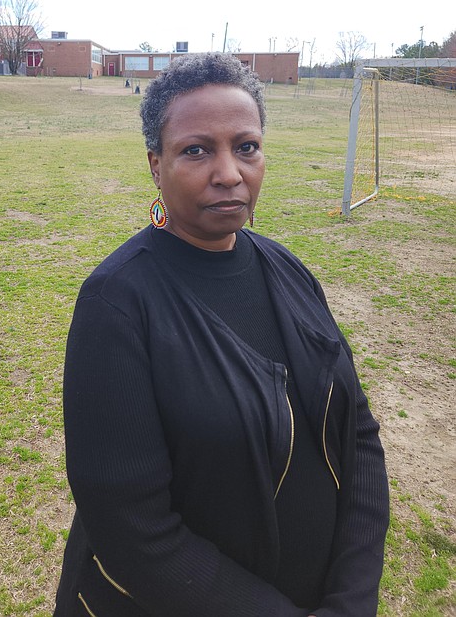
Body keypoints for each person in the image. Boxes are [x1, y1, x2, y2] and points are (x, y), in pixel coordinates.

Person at [54, 52, 389, 617]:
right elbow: (133, 532)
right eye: (197, 149)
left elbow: (358, 434)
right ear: (156, 166)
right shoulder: (117, 304)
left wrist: (353, 597)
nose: (230, 172)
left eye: (246, 146)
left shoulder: (288, 270)